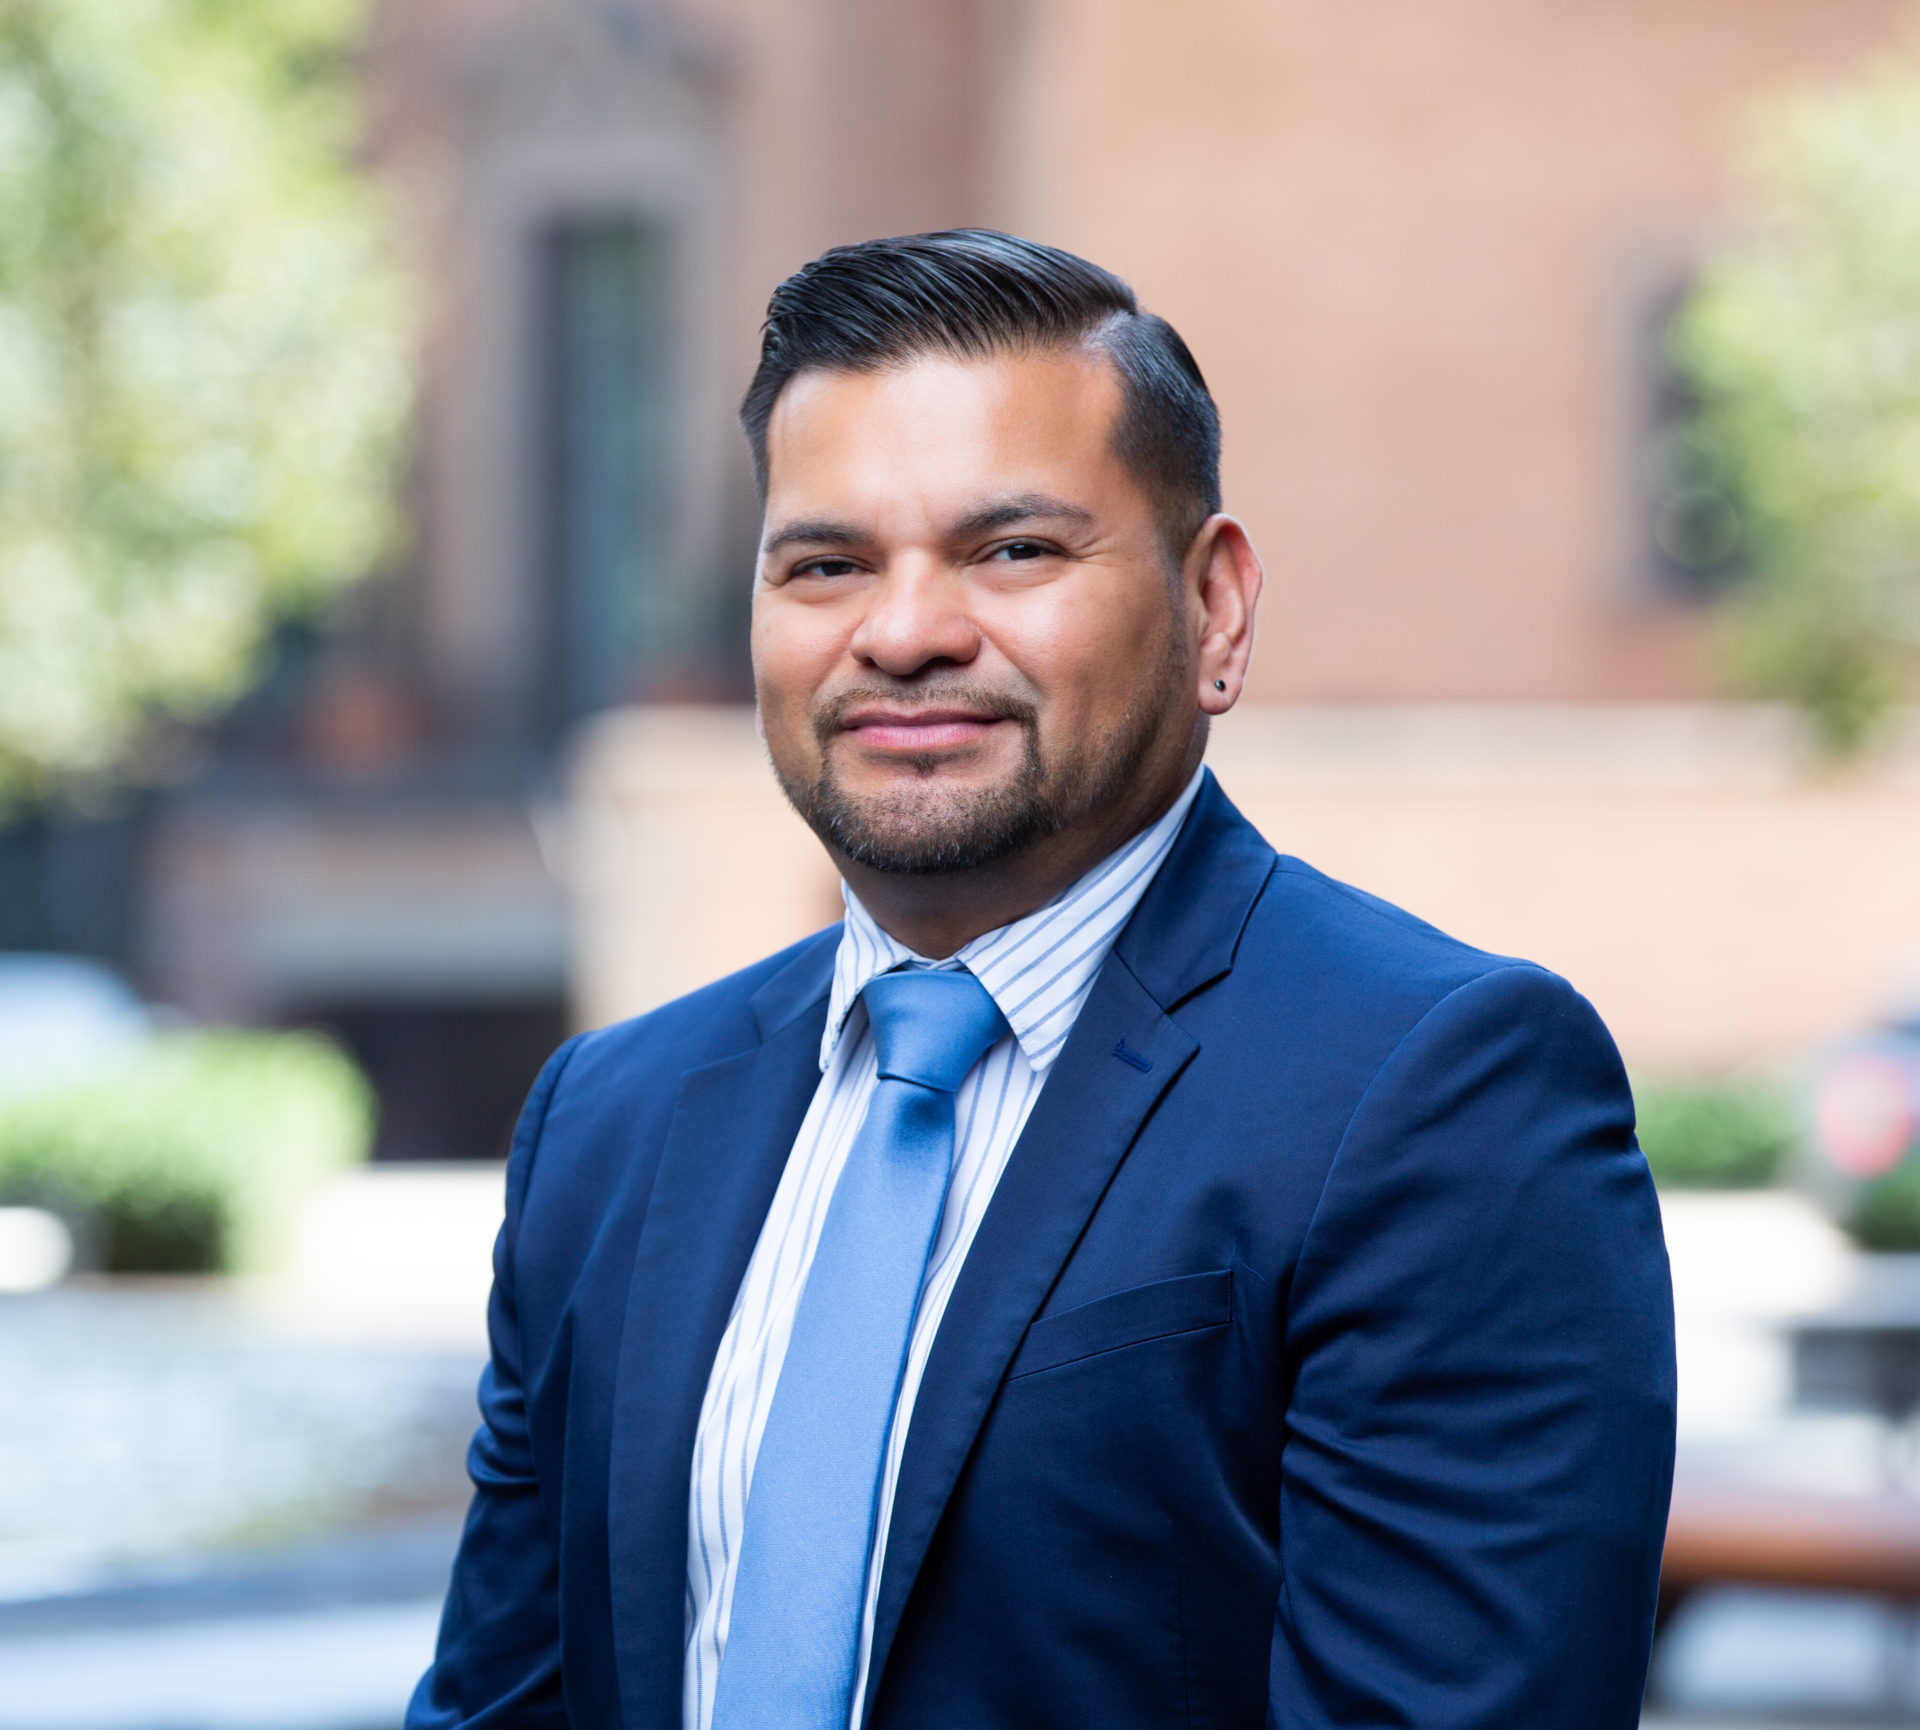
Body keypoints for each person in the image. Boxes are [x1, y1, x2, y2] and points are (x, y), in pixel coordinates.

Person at [408, 230, 1676, 1730]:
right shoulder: (609, 1120)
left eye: (1012, 550)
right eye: (826, 565)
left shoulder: (1446, 1096)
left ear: (1215, 608)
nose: (903, 634)